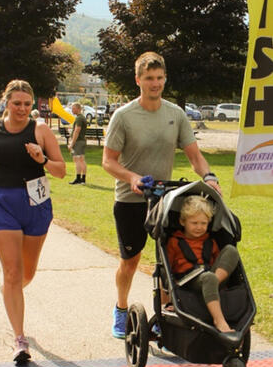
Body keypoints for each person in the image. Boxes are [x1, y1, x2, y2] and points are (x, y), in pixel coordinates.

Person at [102, 51, 222, 339]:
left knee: (169, 260)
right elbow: (108, 161)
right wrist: (131, 178)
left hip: (166, 200)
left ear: (165, 79)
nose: (154, 84)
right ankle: (120, 310)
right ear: (138, 80)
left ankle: (167, 314)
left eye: (159, 78)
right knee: (130, 261)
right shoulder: (124, 116)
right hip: (131, 200)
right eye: (148, 79)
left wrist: (208, 176)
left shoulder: (176, 114)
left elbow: (195, 156)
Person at [0, 79, 66, 363]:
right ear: (5, 103)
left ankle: (10, 293)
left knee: (27, 274)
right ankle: (20, 341)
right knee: (12, 272)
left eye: (27, 104)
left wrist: (42, 159)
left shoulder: (41, 130)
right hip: (2, 203)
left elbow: (60, 171)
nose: (22, 109)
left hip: (35, 204)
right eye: (16, 103)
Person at [167, 195, 239, 333]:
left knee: (231, 250)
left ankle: (212, 287)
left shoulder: (210, 242)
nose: (199, 227)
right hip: (188, 282)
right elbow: (166, 270)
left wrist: (213, 281)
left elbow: (219, 264)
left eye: (203, 223)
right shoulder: (174, 242)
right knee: (209, 278)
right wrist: (169, 299)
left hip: (212, 278)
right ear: (183, 222)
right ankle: (219, 321)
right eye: (194, 223)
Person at [68, 102, 87, 185]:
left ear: (78, 109)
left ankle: (78, 178)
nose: (72, 110)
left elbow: (77, 130)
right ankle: (83, 179)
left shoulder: (79, 118)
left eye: (73, 108)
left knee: (77, 160)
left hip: (78, 142)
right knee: (82, 160)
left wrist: (72, 143)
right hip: (82, 140)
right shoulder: (82, 117)